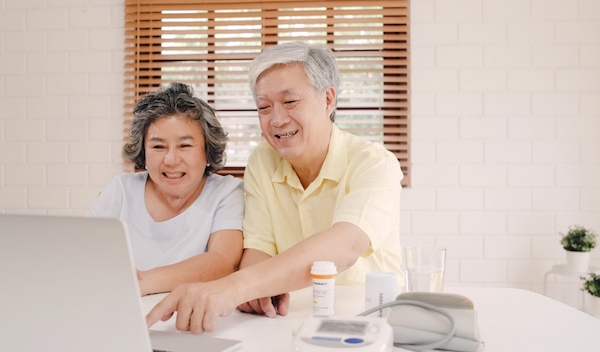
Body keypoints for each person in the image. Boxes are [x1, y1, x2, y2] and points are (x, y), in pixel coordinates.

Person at [146, 41, 404, 333]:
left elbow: (345, 246)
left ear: (328, 100)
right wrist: (257, 288)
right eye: (264, 107)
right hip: (287, 321)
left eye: (290, 102)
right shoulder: (262, 161)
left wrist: (234, 287)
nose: (277, 119)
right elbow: (258, 249)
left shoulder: (374, 163)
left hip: (368, 319)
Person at [87, 82, 244, 296]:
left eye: (185, 145)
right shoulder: (122, 190)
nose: (170, 160)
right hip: (120, 310)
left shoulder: (226, 192)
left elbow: (223, 261)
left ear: (208, 151)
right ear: (143, 151)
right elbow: (84, 253)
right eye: (158, 146)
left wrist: (141, 283)